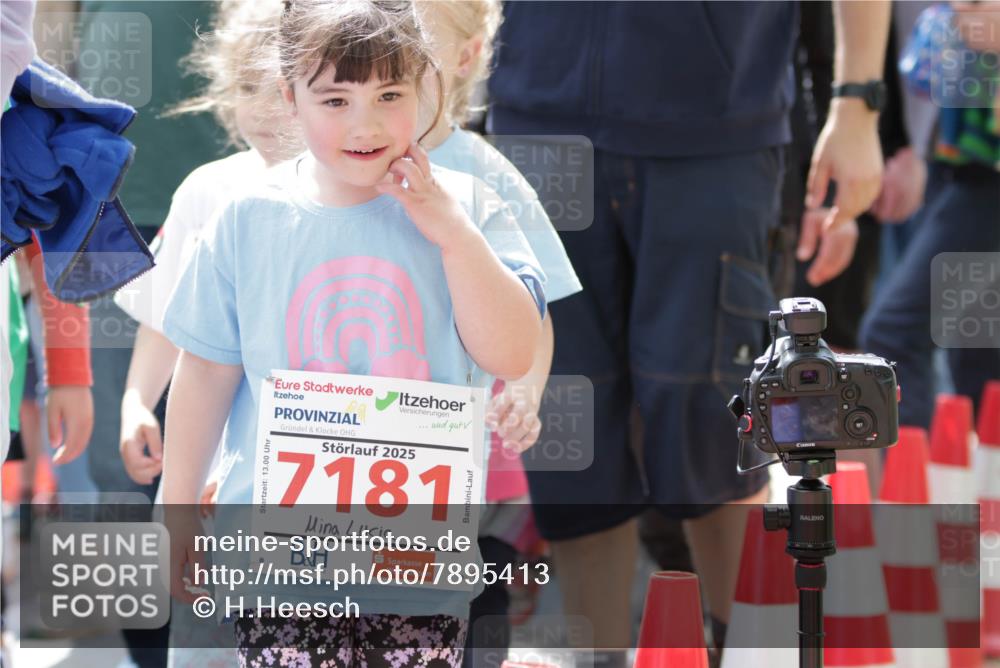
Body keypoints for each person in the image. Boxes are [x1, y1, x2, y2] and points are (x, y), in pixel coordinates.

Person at [486, 1, 890, 657]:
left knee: (713, 426)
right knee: (570, 441)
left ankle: (750, 651)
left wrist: (857, 103)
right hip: (535, 130)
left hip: (716, 135)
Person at [159, 1, 546, 666]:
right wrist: (177, 505)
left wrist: (452, 233)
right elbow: (205, 371)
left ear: (427, 86)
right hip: (281, 562)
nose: (364, 123)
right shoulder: (245, 217)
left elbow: (512, 350)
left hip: (415, 564)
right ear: (290, 99)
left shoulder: (472, 207)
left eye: (389, 95)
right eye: (335, 100)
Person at [415, 1, 582, 664]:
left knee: (475, 614)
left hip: (478, 463)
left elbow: (536, 305)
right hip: (363, 461)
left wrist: (528, 389)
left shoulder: (482, 171)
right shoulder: (332, 160)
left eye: (417, 43)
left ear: (466, 55)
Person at [860, 1, 1000, 431]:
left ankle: (914, 496)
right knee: (978, 359)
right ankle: (972, 491)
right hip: (961, 170)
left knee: (894, 337)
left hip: (983, 183)